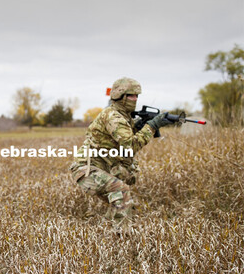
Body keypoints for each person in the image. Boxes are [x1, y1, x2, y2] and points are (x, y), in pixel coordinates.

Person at [70, 77, 174, 230]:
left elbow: (121, 140)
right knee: (121, 190)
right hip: (87, 170)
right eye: (131, 95)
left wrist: (138, 128)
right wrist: (151, 126)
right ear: (120, 96)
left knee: (124, 195)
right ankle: (122, 235)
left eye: (137, 96)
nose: (135, 99)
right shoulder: (114, 117)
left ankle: (104, 232)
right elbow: (130, 147)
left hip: (100, 167)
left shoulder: (122, 116)